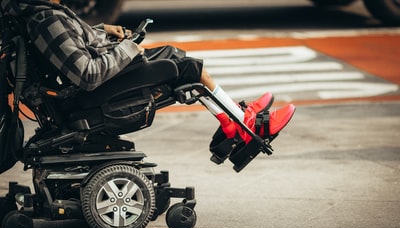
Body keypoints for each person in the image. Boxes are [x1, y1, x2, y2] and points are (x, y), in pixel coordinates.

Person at [1, 0, 295, 143]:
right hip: (91, 95)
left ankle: (233, 118)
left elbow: (70, 42)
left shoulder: (41, 11)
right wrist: (128, 49)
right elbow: (87, 74)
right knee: (184, 66)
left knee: (175, 55)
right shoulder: (45, 18)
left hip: (88, 86)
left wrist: (101, 31)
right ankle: (245, 126)